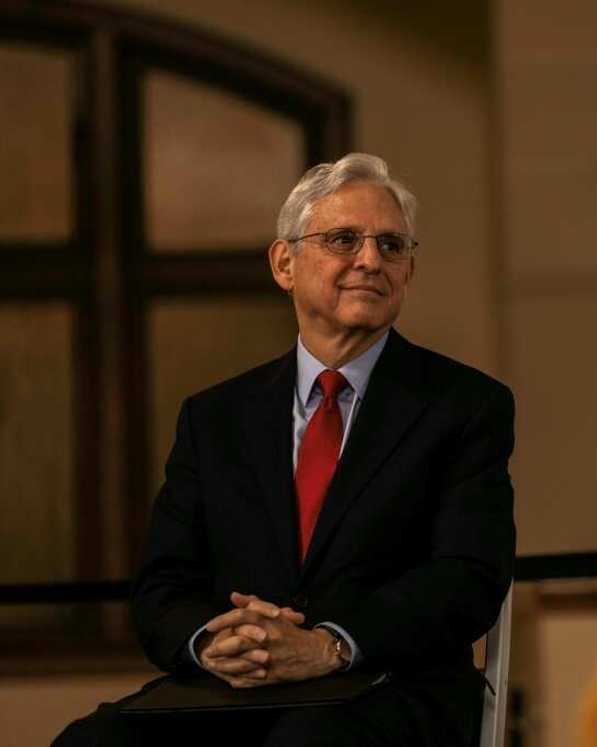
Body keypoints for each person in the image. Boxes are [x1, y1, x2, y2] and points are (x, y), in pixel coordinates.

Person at [55, 153, 516, 746]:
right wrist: (213, 641)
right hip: (233, 693)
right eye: (345, 239)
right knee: (91, 743)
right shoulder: (214, 417)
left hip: (392, 687)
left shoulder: (465, 405)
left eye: (392, 246)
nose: (371, 260)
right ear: (284, 263)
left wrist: (329, 644)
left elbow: (467, 577)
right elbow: (161, 587)